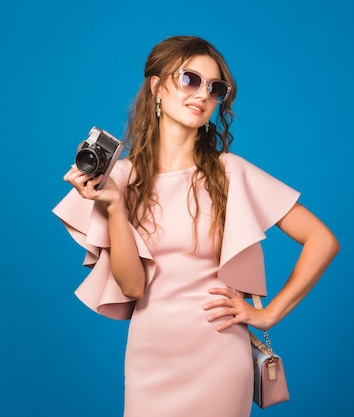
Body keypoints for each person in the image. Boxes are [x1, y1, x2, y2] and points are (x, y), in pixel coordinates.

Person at [52, 35, 339, 417]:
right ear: (157, 86)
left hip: (218, 354)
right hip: (149, 358)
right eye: (190, 79)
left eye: (215, 88)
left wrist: (268, 315)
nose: (203, 94)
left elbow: (322, 240)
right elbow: (133, 286)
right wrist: (115, 209)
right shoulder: (119, 178)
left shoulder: (230, 172)